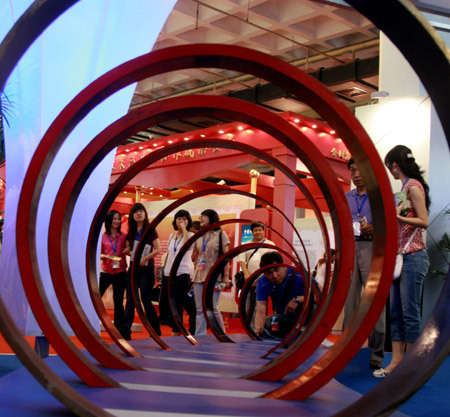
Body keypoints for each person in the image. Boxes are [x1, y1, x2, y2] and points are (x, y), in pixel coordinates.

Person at [373, 145, 430, 378]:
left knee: (409, 312)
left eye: (390, 167)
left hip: (414, 256)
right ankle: (396, 361)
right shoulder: (403, 189)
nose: (391, 172)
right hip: (399, 257)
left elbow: (424, 221)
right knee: (395, 312)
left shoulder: (413, 187)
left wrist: (395, 216)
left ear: (394, 165)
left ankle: (413, 366)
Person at [343, 157, 386, 370]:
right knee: (349, 301)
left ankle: (376, 356)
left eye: (360, 170)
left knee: (374, 301)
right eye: (352, 171)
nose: (357, 175)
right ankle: (346, 352)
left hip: (373, 249)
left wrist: (376, 227)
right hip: (351, 249)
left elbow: (392, 224)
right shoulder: (346, 197)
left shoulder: (380, 196)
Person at [120, 203, 161, 340]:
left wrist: (144, 259)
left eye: (141, 211)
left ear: (145, 213)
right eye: (136, 212)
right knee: (130, 300)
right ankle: (125, 332)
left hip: (147, 268)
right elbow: (128, 250)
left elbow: (157, 249)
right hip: (133, 268)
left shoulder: (150, 229)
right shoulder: (131, 231)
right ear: (132, 215)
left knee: (145, 299)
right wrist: (129, 252)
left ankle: (155, 331)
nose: (139, 214)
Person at [192, 209, 231, 335]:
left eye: (203, 216)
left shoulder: (221, 234)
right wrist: (194, 274)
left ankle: (221, 334)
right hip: (199, 274)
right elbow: (196, 257)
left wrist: (226, 276)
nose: (201, 219)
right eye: (200, 216)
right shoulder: (199, 235)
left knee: (213, 307)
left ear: (211, 218)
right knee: (199, 308)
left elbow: (225, 257)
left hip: (215, 274)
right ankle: (200, 335)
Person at [254, 251, 305, 337]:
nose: (274, 276)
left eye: (277, 270)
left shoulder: (299, 275)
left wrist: (297, 299)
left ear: (283, 266)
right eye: (269, 273)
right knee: (268, 323)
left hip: (305, 317)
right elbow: (261, 310)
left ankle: (305, 330)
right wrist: (258, 330)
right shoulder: (263, 281)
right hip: (284, 318)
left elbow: (320, 294)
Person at [162, 210, 195, 336]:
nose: (181, 221)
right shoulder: (172, 236)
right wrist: (164, 269)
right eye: (179, 218)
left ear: (188, 221)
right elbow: (169, 254)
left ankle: (177, 330)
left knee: (179, 303)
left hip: (183, 272)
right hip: (169, 272)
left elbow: (186, 246)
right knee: (170, 302)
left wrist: (184, 229)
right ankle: (175, 328)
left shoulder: (191, 235)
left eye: (185, 219)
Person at [236, 222, 275, 325]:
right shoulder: (247, 244)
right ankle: (248, 326)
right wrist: (246, 274)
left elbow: (273, 262)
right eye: (255, 230)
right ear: (252, 232)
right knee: (247, 305)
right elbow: (241, 260)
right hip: (249, 279)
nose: (258, 232)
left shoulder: (270, 245)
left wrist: (264, 275)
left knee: (260, 304)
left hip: (264, 279)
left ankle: (256, 327)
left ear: (263, 231)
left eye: (260, 230)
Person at [99, 210, 127, 332]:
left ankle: (118, 328)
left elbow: (128, 250)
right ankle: (91, 321)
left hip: (120, 272)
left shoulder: (124, 236)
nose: (116, 221)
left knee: (119, 301)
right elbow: (98, 254)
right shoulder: (103, 237)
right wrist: (105, 257)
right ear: (109, 221)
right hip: (106, 272)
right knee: (96, 296)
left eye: (118, 219)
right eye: (114, 219)